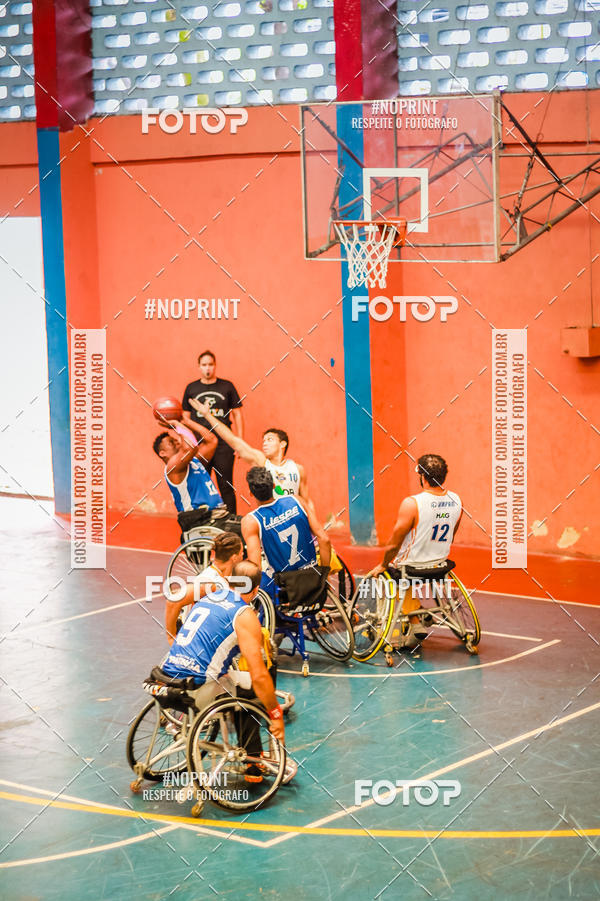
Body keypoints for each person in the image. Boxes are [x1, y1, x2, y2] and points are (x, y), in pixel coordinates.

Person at [160, 561, 285, 752]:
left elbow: (173, 600)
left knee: (231, 678)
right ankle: (253, 759)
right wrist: (275, 714)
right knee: (255, 685)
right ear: (256, 590)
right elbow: (258, 676)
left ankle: (236, 725)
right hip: (196, 691)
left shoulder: (210, 592)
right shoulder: (244, 615)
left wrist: (171, 636)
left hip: (164, 681)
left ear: (228, 580)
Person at [369, 453, 462, 645]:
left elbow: (394, 544)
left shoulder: (412, 503)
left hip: (411, 567)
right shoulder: (456, 500)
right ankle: (419, 611)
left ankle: (413, 620)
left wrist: (382, 564)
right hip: (440, 564)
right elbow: (452, 534)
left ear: (422, 476)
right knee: (405, 569)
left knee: (389, 573)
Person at [189, 399, 311, 509]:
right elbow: (233, 440)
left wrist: (313, 527)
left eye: (270, 440)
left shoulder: (298, 469)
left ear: (282, 444)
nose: (264, 444)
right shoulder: (262, 462)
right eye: (264, 440)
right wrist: (207, 415)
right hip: (273, 523)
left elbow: (306, 501)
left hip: (295, 520)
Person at [241, 466, 330, 600]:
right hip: (312, 578)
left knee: (248, 575)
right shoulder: (296, 500)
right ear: (274, 486)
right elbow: (324, 539)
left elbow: (256, 567)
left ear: (251, 493)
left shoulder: (251, 521)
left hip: (284, 586)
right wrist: (324, 575)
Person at [182, 350, 243, 515]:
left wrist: (239, 442)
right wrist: (188, 444)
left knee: (226, 485)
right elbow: (185, 418)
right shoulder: (191, 388)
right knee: (201, 484)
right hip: (200, 444)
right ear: (199, 367)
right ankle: (202, 521)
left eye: (210, 364)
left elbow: (237, 413)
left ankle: (231, 522)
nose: (207, 368)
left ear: (215, 366)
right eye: (204, 365)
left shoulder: (227, 386)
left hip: (224, 444)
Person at [165, 531, 244, 644]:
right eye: (241, 552)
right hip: (198, 639)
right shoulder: (209, 581)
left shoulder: (224, 576)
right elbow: (173, 601)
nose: (243, 555)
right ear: (234, 557)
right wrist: (171, 637)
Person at [152, 419, 228, 533]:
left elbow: (211, 440)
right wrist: (177, 425)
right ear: (163, 453)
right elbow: (190, 447)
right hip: (202, 520)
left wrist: (185, 421)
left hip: (217, 516)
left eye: (175, 439)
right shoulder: (172, 468)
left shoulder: (193, 461)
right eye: (171, 442)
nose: (177, 441)